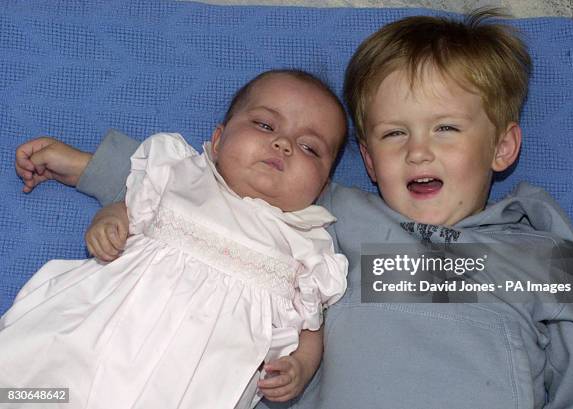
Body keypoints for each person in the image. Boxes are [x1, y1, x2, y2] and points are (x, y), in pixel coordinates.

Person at [13, 9, 573, 408]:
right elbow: (217, 194)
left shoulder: (533, 246)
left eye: (447, 128)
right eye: (394, 134)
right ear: (370, 162)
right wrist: (94, 168)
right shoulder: (335, 219)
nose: (419, 150)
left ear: (503, 147)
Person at [2, 69, 349, 409]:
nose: (283, 144)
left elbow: (311, 324)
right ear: (218, 140)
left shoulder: (307, 243)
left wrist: (301, 366)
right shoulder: (181, 174)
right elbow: (131, 204)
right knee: (49, 377)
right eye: (264, 125)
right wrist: (110, 218)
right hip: (111, 327)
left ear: (322, 186)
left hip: (197, 377)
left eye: (309, 147)